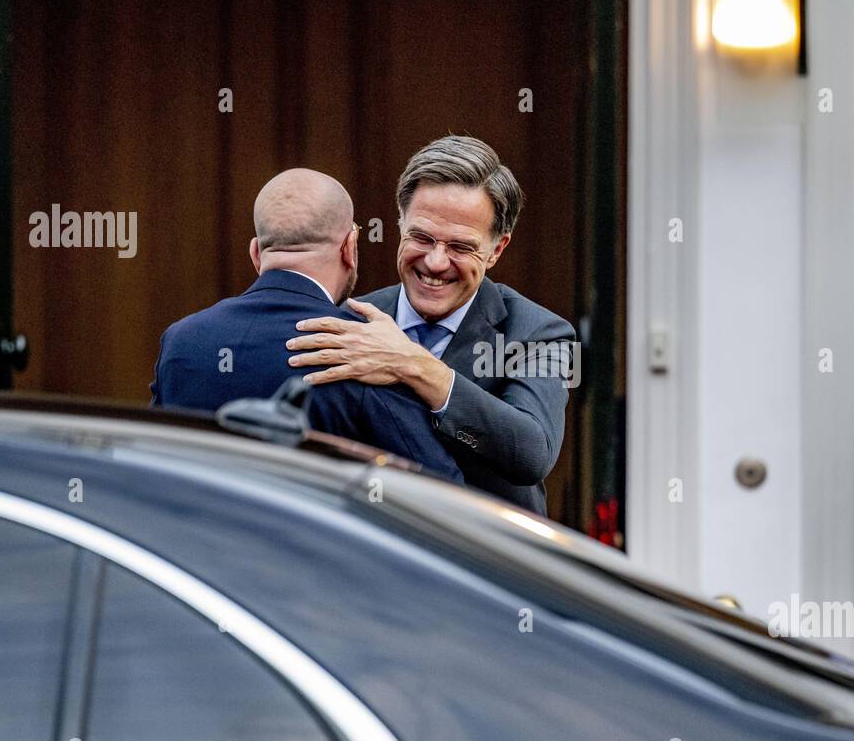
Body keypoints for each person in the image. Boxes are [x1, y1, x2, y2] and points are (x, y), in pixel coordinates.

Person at [284, 136, 575, 515]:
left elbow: (532, 452)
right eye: (421, 237)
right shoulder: (351, 318)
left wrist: (413, 364)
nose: (436, 262)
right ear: (400, 224)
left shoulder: (539, 333)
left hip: (480, 558)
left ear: (496, 250)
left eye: (460, 247)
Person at [149, 168, 462, 483]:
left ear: (256, 253)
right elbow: (440, 488)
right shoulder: (369, 348)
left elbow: (154, 466)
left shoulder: (181, 340)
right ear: (349, 248)